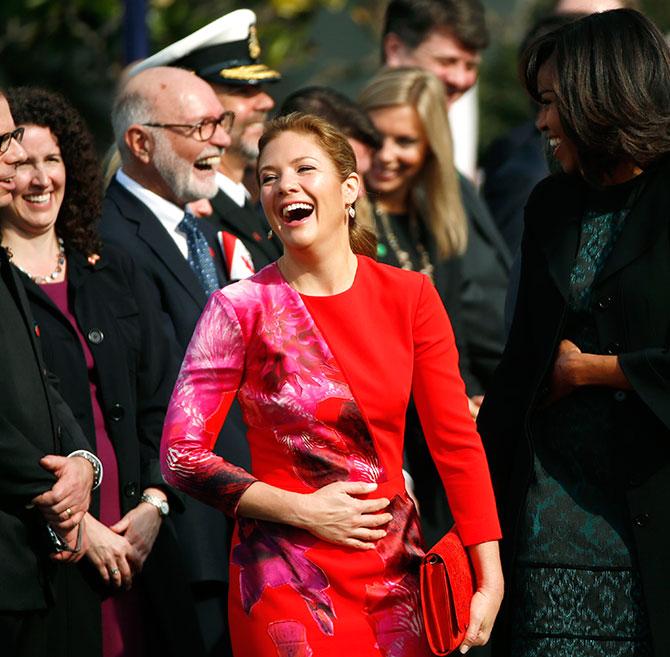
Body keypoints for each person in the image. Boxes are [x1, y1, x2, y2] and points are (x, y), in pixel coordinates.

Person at [160, 112, 503, 657]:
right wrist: (302, 510)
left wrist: (489, 570)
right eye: (268, 177)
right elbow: (180, 454)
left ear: (349, 189)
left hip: (396, 576)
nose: (284, 186)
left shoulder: (411, 295)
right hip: (283, 582)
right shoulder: (237, 308)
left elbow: (455, 441)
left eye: (303, 168)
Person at [477, 9, 670, 657]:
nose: (540, 122)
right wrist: (470, 503)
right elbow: (520, 365)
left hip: (651, 521)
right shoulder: (551, 205)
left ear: (602, 96)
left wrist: (593, 370)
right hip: (549, 522)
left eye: (554, 102)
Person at [2, 86, 202, 657]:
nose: (40, 179)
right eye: (20, 164)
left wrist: (155, 505)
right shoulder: (3, 285)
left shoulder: (116, 269)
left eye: (52, 160)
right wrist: (79, 524)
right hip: (51, 548)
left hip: (143, 542)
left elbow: (165, 400)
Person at [100, 66, 248, 656]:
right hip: (188, 532)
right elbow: (155, 387)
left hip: (240, 519)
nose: (221, 139)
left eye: (222, 121)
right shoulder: (113, 238)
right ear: (140, 142)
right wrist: (163, 500)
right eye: (201, 125)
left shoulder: (194, 225)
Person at [0, 89, 102, 657]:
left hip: (34, 568)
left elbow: (44, 387)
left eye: (11, 140)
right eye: (3, 145)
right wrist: (57, 491)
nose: (15, 162)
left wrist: (84, 466)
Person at [130, 9, 282, 280]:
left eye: (263, 88)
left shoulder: (246, 206)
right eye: (242, 91)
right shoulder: (191, 216)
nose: (266, 102)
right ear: (196, 100)